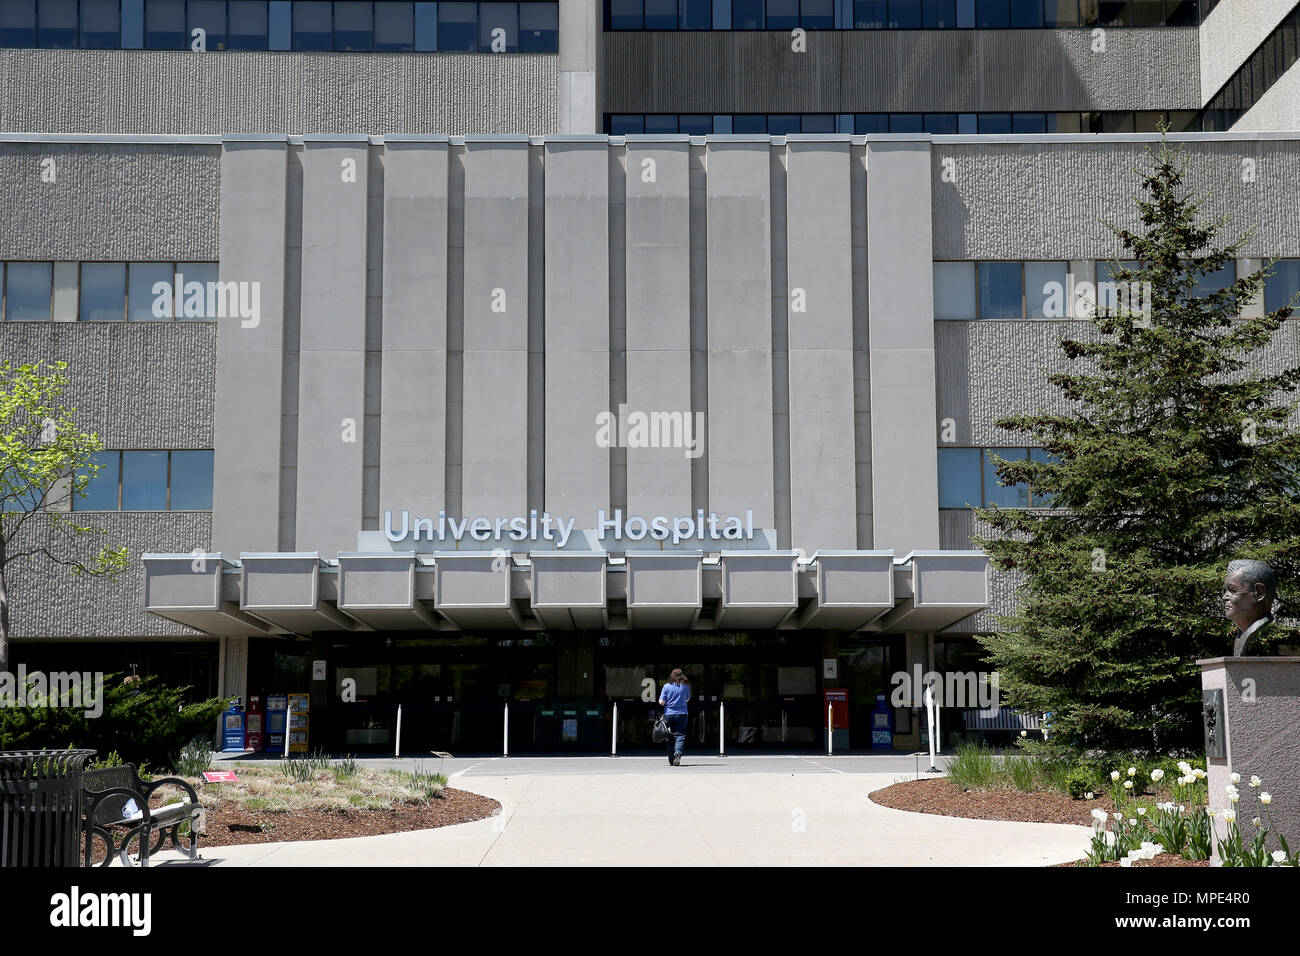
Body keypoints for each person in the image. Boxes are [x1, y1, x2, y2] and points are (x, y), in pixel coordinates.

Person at [658, 668, 691, 766]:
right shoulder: (685, 687)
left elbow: (662, 702)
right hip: (682, 714)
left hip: (669, 714)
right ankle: (677, 755)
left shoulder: (666, 686)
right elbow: (687, 700)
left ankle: (671, 759)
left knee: (670, 736)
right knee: (680, 735)